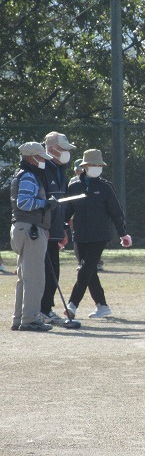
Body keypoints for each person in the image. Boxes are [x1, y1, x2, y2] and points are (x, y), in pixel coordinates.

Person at [64, 149, 132, 319]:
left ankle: (72, 305)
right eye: (93, 165)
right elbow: (66, 212)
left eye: (99, 165)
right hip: (79, 236)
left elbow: (116, 212)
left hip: (99, 237)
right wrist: (60, 232)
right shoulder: (74, 187)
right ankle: (102, 306)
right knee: (89, 270)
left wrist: (123, 234)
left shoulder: (106, 187)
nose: (97, 168)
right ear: (85, 167)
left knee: (85, 268)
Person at [9, 142, 57, 331]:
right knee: (35, 277)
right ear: (30, 158)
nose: (42, 161)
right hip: (31, 231)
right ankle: (30, 319)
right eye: (39, 157)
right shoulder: (29, 176)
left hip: (22, 229)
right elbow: (25, 202)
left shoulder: (20, 174)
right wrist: (45, 203)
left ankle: (19, 318)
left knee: (24, 277)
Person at [40, 131, 76, 326]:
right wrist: (43, 226)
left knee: (54, 272)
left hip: (54, 230)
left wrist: (62, 228)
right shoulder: (43, 168)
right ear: (51, 149)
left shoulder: (61, 170)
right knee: (44, 272)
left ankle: (47, 308)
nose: (66, 153)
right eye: (63, 149)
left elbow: (61, 204)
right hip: (42, 230)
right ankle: (41, 310)